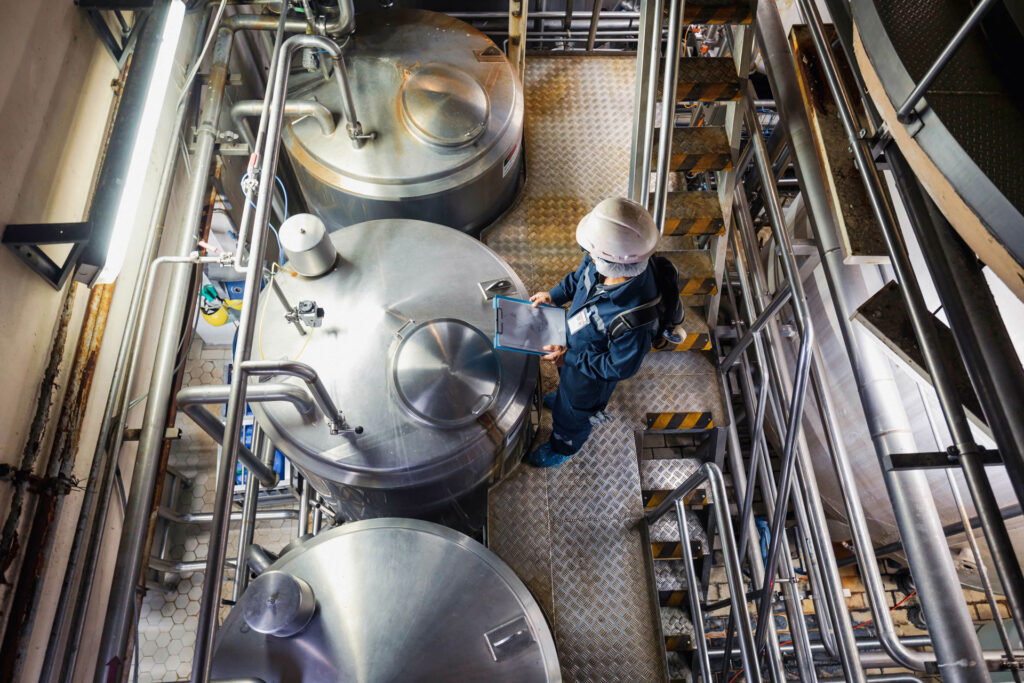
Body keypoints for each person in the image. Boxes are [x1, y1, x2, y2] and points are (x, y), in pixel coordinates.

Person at [527, 197, 661, 467]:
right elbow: (577, 280)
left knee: (573, 414)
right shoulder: (599, 261)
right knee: (566, 389)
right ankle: (564, 397)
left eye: (590, 251)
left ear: (613, 260)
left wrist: (571, 359)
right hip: (572, 353)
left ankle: (564, 445)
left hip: (589, 379)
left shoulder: (634, 317)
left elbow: (618, 367)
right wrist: (553, 296)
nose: (586, 254)